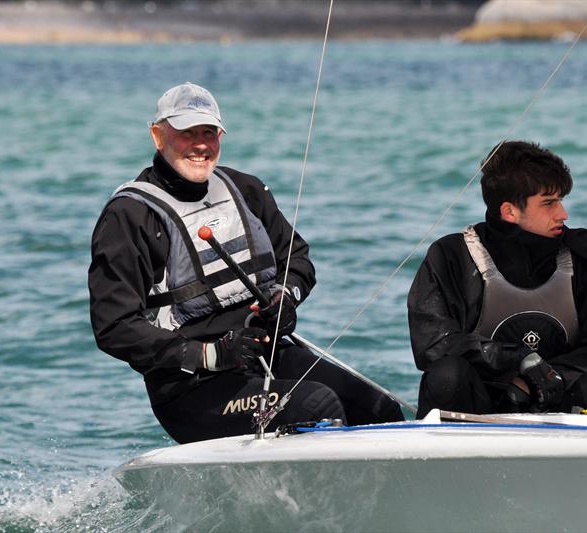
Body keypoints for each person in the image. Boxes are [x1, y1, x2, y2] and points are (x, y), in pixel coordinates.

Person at [89, 82, 402, 443]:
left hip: (268, 357)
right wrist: (209, 354)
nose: (201, 144)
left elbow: (297, 259)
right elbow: (113, 327)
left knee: (380, 408)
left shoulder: (245, 189)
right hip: (191, 388)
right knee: (317, 405)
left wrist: (286, 297)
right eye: (187, 132)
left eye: (209, 132)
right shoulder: (129, 216)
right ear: (158, 136)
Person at [408, 140, 587, 418]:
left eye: (560, 200)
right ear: (509, 211)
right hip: (478, 405)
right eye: (549, 203)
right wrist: (518, 358)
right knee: (447, 375)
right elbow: (433, 345)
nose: (563, 214)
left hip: (558, 399)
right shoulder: (452, 256)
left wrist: (543, 377)